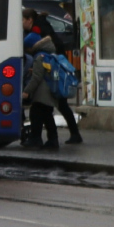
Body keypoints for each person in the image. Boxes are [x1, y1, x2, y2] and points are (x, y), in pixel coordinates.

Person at [23, 8, 82, 144]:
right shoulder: (41, 24)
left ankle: (71, 135)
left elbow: (39, 47)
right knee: (52, 107)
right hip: (54, 67)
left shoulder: (37, 29)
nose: (21, 23)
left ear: (29, 20)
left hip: (53, 71)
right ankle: (61, 137)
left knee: (58, 104)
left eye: (22, 20)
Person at [22, 32, 59, 150]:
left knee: (35, 113)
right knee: (48, 116)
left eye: (28, 48)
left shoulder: (39, 57)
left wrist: (26, 91)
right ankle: (53, 140)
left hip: (42, 93)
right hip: (50, 90)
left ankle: (36, 138)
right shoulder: (50, 54)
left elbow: (36, 78)